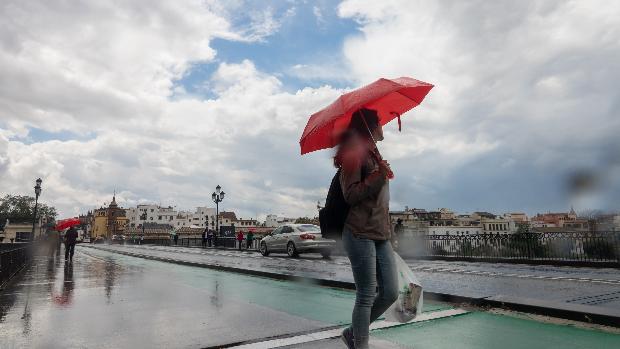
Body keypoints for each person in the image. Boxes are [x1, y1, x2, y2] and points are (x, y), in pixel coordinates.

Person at [336, 108, 398, 349]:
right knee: (365, 295)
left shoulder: (374, 153)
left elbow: (380, 203)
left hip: (380, 233)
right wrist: (377, 177)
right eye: (380, 122)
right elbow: (350, 194)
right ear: (371, 126)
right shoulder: (353, 153)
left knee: (390, 292)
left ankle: (353, 332)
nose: (383, 126)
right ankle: (360, 344)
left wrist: (390, 233)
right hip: (359, 231)